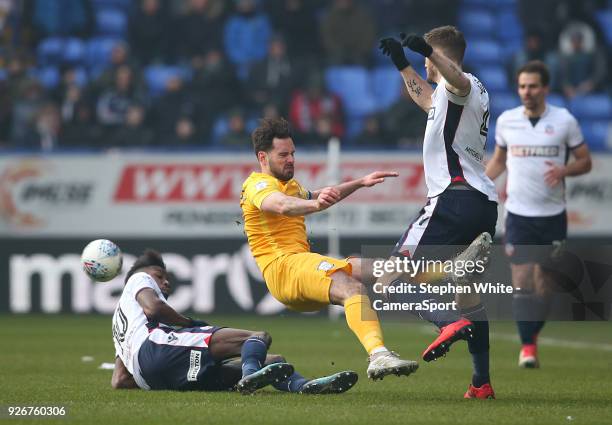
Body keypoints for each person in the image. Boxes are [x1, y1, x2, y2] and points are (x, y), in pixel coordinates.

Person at [240, 117, 418, 380]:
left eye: (293, 154)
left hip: (299, 265)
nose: (290, 159)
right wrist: (316, 206)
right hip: (285, 268)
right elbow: (281, 205)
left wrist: (359, 182)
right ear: (263, 157)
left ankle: (447, 275)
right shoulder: (258, 185)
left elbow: (319, 194)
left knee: (379, 267)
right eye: (283, 155)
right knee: (352, 288)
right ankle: (378, 355)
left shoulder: (290, 185)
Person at [378, 26, 498, 399]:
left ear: (440, 54)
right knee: (470, 295)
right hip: (483, 205)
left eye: (428, 59)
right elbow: (428, 100)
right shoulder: (456, 95)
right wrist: (402, 64)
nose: (425, 66)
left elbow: (454, 78)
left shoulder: (462, 84)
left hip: (451, 199)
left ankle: (447, 322)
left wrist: (427, 50)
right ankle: (481, 383)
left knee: (387, 282)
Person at [111, 249, 358, 394]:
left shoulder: (121, 322)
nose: (165, 282)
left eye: (166, 277)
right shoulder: (138, 279)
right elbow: (155, 308)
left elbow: (119, 381)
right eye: (160, 276)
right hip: (158, 350)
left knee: (274, 362)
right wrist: (188, 323)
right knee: (257, 337)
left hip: (156, 377)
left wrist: (153, 378)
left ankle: (304, 386)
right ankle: (250, 375)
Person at [485, 60, 592, 369]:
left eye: (532, 86)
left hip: (553, 215)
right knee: (522, 281)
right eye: (522, 86)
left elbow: (585, 162)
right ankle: (528, 346)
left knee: (544, 284)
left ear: (545, 88)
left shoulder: (564, 121)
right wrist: (478, 183)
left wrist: (565, 169)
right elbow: (499, 161)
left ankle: (531, 336)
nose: (526, 92)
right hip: (518, 214)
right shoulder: (507, 121)